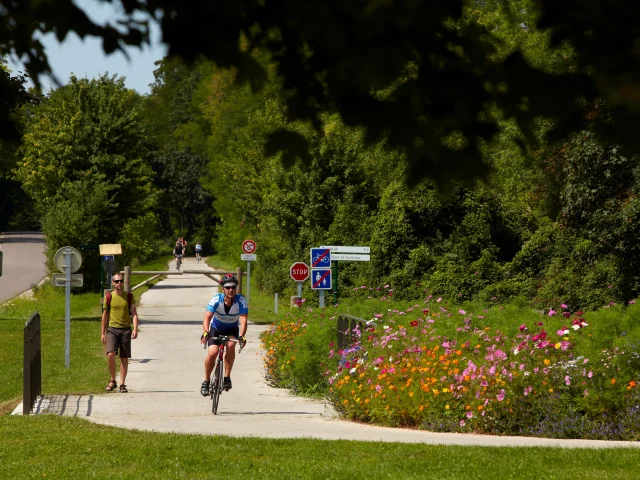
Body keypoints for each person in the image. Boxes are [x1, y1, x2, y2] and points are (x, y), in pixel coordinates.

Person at [200, 274, 248, 396]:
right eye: (228, 287)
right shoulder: (216, 300)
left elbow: (243, 320)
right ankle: (206, 381)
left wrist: (242, 336)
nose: (230, 290)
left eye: (233, 287)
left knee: (231, 346)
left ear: (236, 289)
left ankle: (227, 377)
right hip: (216, 328)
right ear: (223, 289)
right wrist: (206, 332)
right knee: (213, 353)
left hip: (232, 329)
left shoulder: (241, 301)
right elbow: (207, 318)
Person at [101, 273, 139, 393]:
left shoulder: (129, 296)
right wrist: (103, 332)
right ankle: (113, 380)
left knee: (124, 357)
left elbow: (134, 314)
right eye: (116, 281)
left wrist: (135, 328)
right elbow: (105, 315)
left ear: (123, 282)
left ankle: (122, 384)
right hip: (112, 329)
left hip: (125, 330)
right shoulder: (109, 297)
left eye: (121, 281)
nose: (119, 283)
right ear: (113, 283)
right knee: (111, 354)